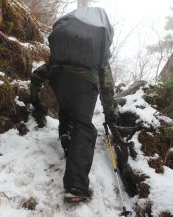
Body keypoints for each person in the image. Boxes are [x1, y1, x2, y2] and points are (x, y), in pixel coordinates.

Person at [30, 11, 116, 203]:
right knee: (84, 127)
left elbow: (39, 73)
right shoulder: (98, 51)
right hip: (85, 84)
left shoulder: (64, 51)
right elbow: (107, 84)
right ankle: (76, 186)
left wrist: (34, 98)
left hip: (59, 79)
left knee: (67, 108)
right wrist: (110, 113)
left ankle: (66, 136)